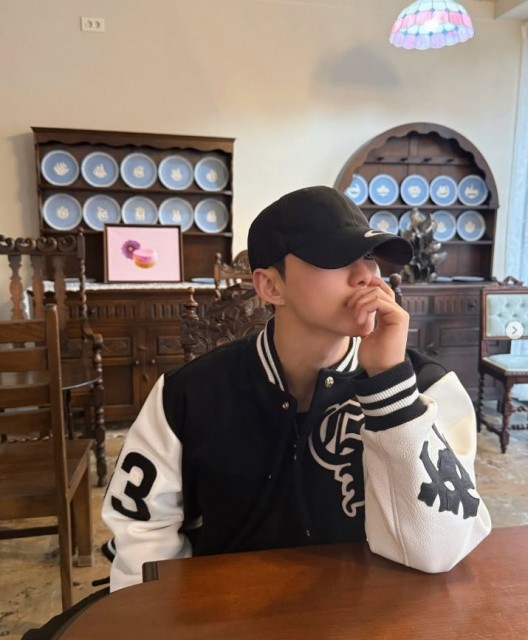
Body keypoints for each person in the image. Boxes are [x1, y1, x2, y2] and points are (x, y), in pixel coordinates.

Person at [100, 185, 491, 592]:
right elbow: (142, 531)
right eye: (333, 258)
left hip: (372, 609)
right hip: (227, 608)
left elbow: (439, 551)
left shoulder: (426, 387)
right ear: (271, 286)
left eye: (369, 256)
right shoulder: (189, 392)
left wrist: (390, 387)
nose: (366, 275)